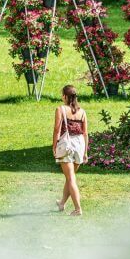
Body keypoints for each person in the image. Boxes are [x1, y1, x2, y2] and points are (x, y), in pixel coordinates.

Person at [53, 85, 88, 215]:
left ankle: (78, 209)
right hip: (80, 144)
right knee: (70, 177)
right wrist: (85, 152)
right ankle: (62, 203)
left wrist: (54, 146)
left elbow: (57, 130)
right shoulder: (82, 112)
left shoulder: (60, 109)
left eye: (62, 94)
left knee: (71, 178)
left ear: (65, 96)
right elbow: (85, 133)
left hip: (67, 143)